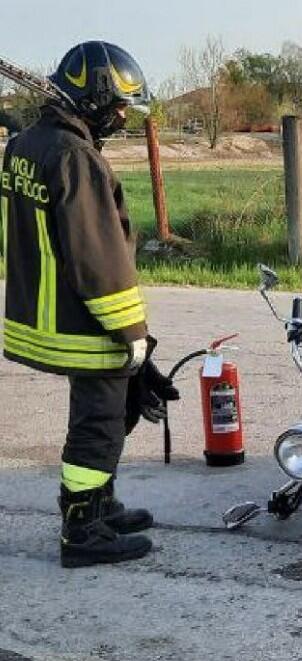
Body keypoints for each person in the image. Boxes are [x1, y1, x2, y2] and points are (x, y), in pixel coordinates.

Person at [1, 41, 179, 567]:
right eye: (119, 103)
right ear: (94, 94)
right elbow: (98, 260)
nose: (123, 115)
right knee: (99, 420)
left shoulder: (27, 145)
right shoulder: (77, 158)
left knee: (101, 411)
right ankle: (83, 531)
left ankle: (98, 506)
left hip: (41, 312)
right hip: (83, 320)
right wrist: (134, 337)